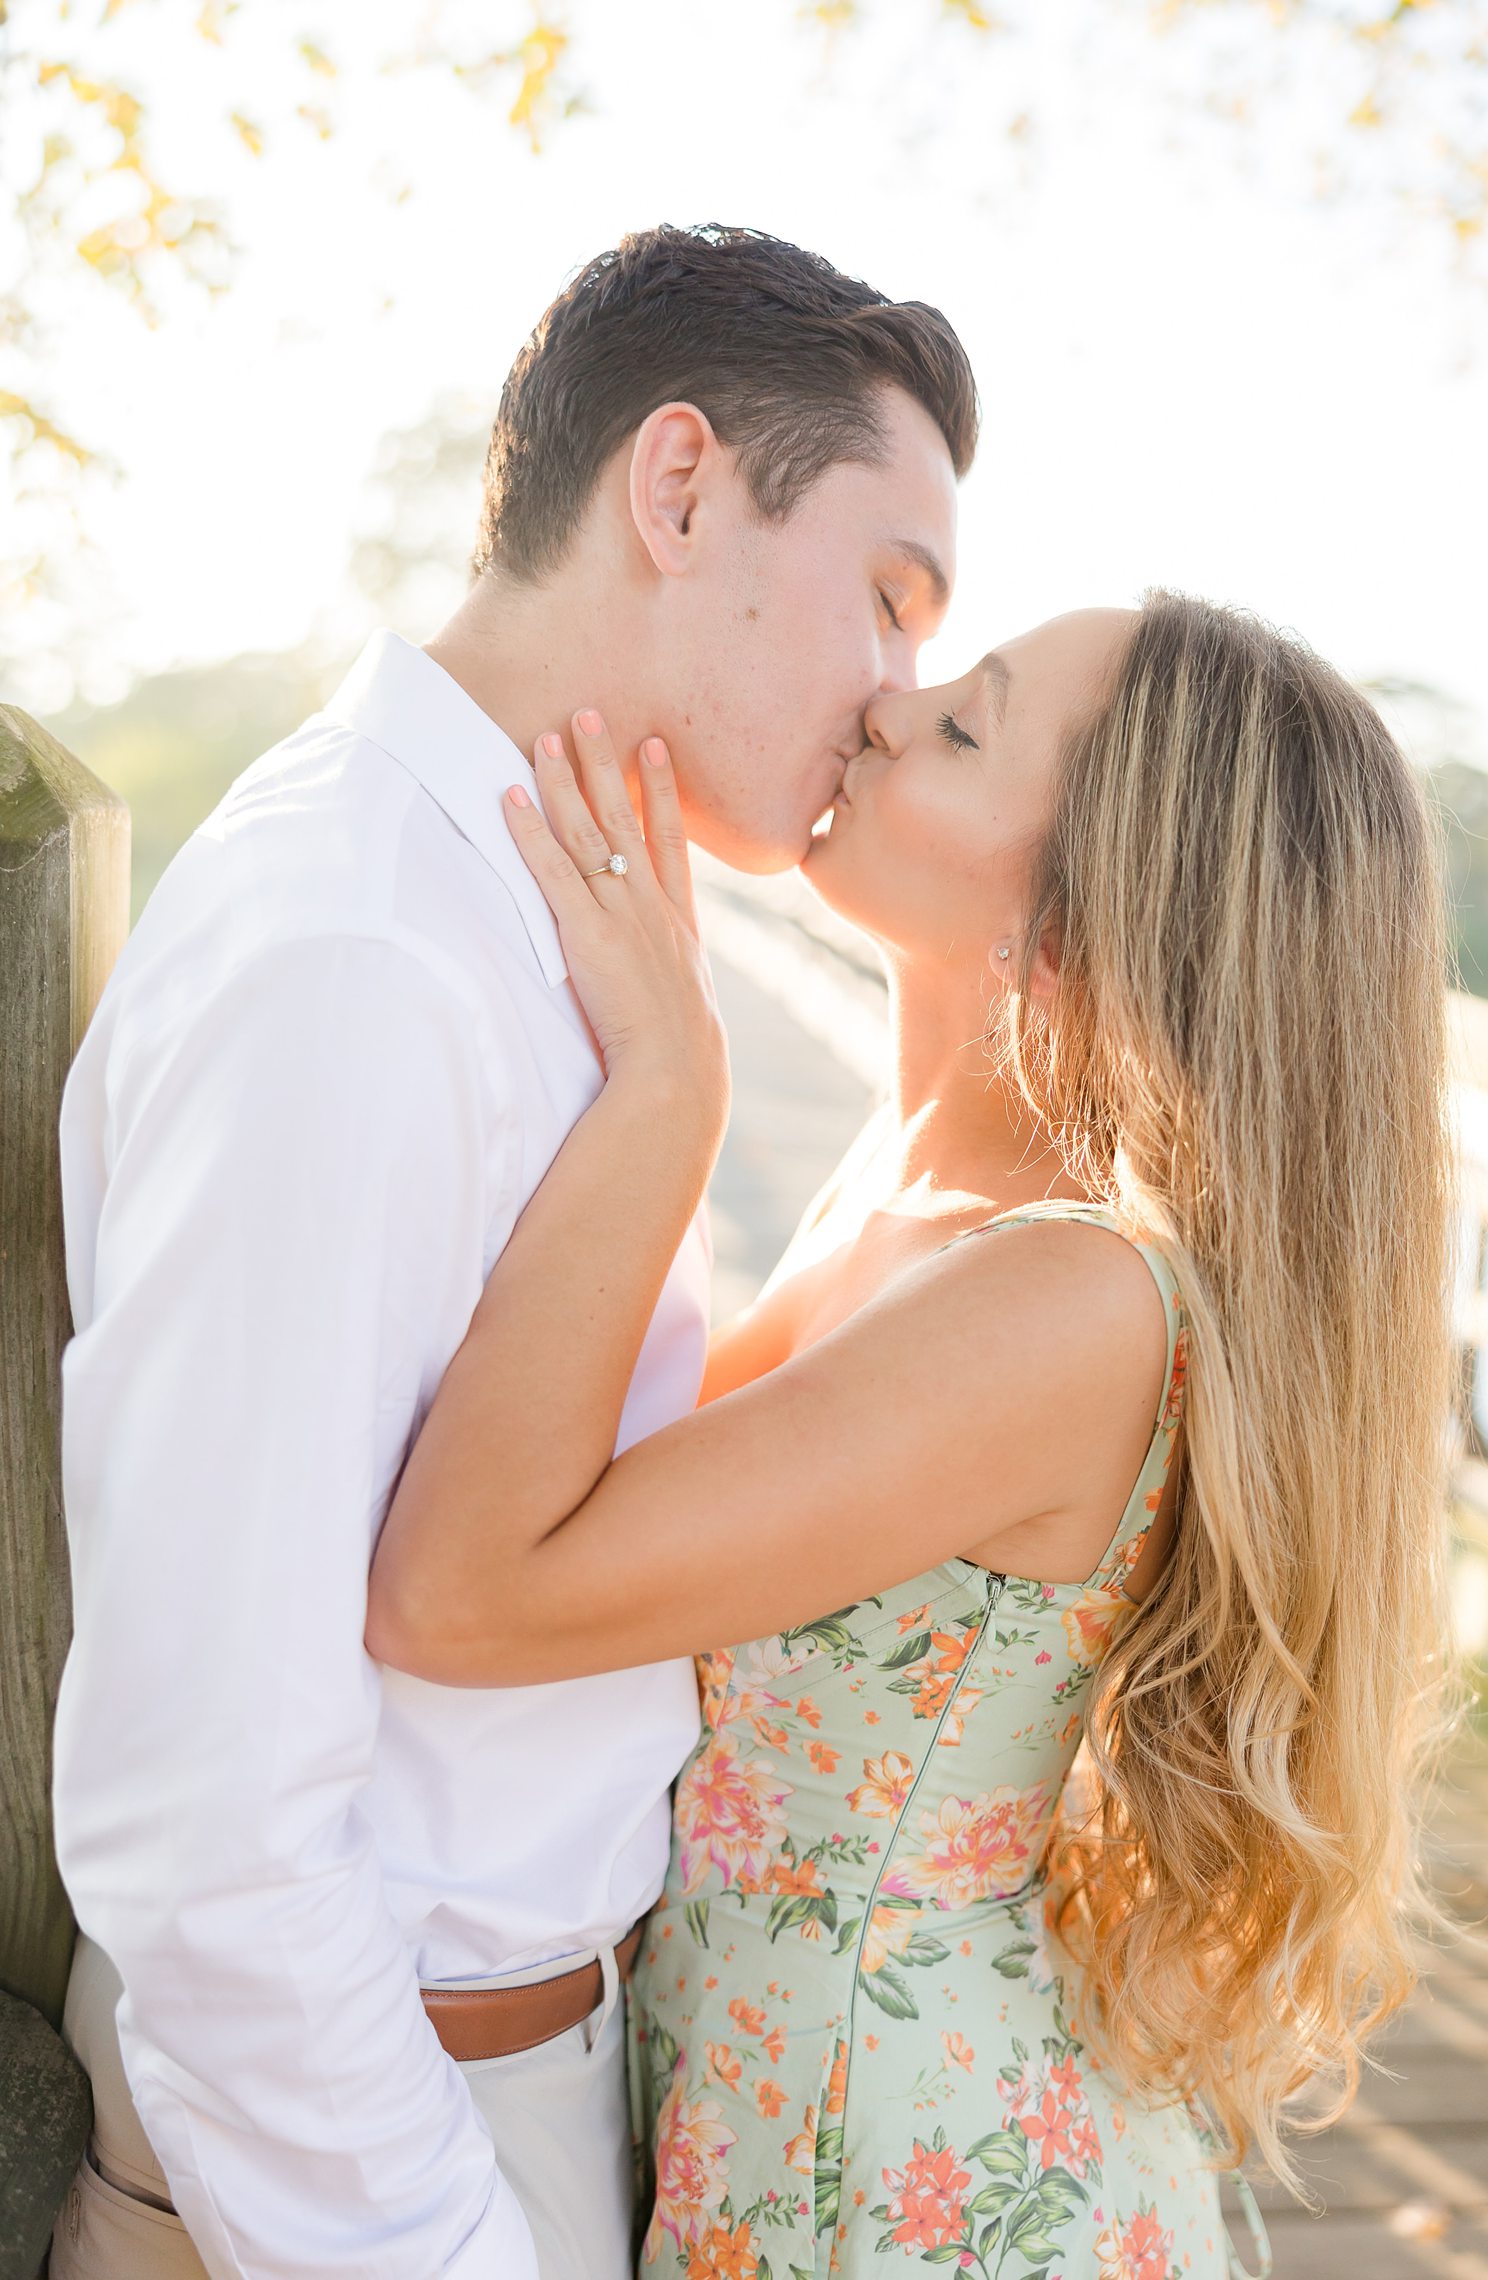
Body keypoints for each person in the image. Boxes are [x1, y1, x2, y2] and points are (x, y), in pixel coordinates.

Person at [48, 223, 974, 2280]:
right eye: (886, 599)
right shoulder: (360, 949)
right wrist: (439, 2244)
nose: (893, 693)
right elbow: (205, 1806)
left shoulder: (518, 919)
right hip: (360, 2164)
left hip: (502, 2096)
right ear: (675, 487)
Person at [366, 592, 1457, 2280]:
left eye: (962, 723)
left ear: (1082, 918)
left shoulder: (1067, 1301)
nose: (887, 704)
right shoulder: (917, 1176)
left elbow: (462, 1594)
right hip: (783, 2112)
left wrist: (670, 1088)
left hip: (901, 2182)